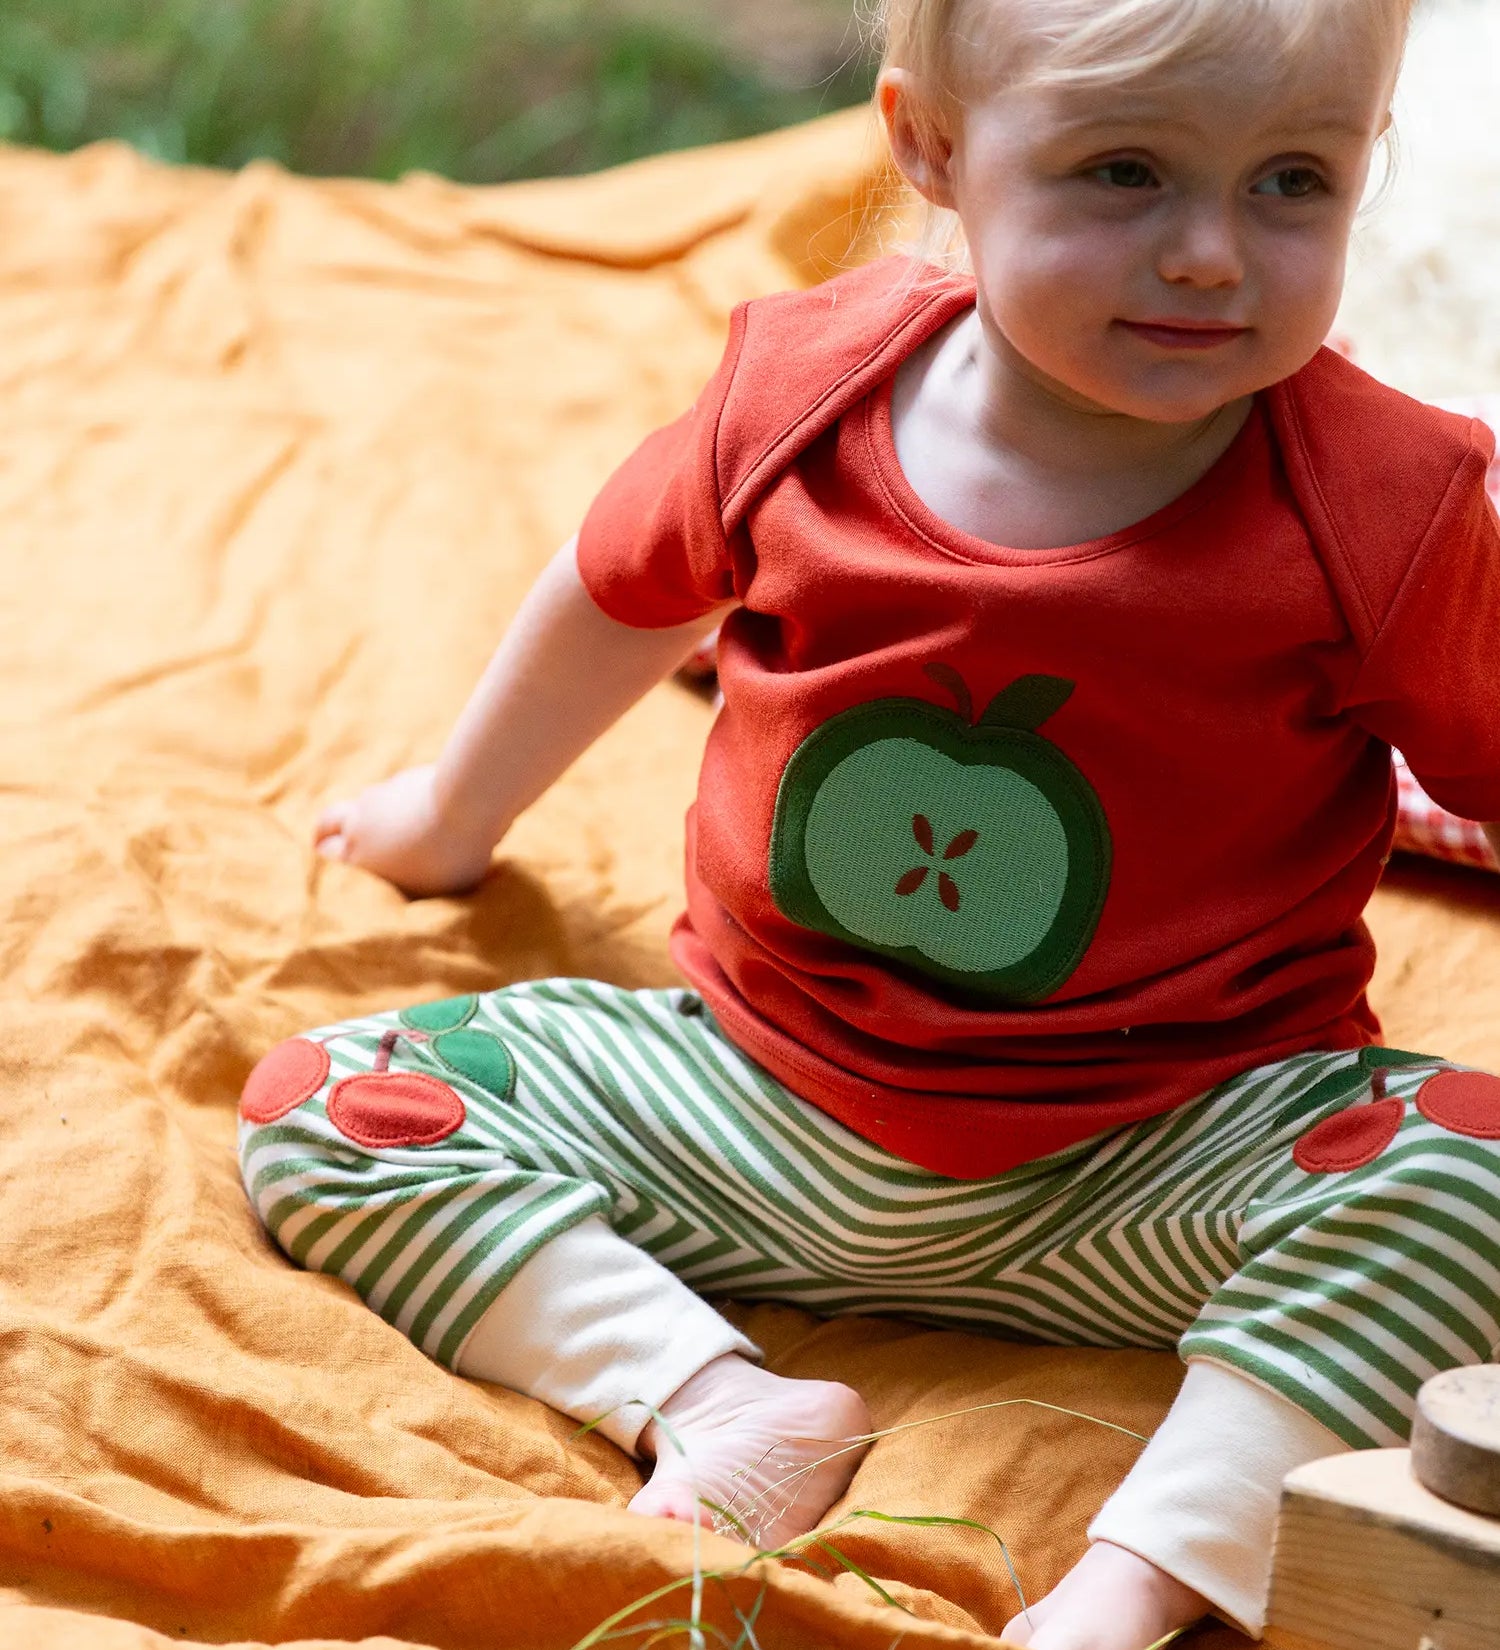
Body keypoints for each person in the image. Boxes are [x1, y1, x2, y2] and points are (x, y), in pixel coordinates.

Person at [237, 1, 1500, 1644]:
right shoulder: (800, 400)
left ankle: (1139, 1579)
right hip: (756, 1099)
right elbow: (619, 592)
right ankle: (716, 1392)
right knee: (333, 1105)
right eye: (1124, 172)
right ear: (934, 147)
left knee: (1471, 1164)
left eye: (1294, 185)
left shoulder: (1389, 507)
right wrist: (446, 813)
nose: (1211, 255)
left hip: (1168, 1152)